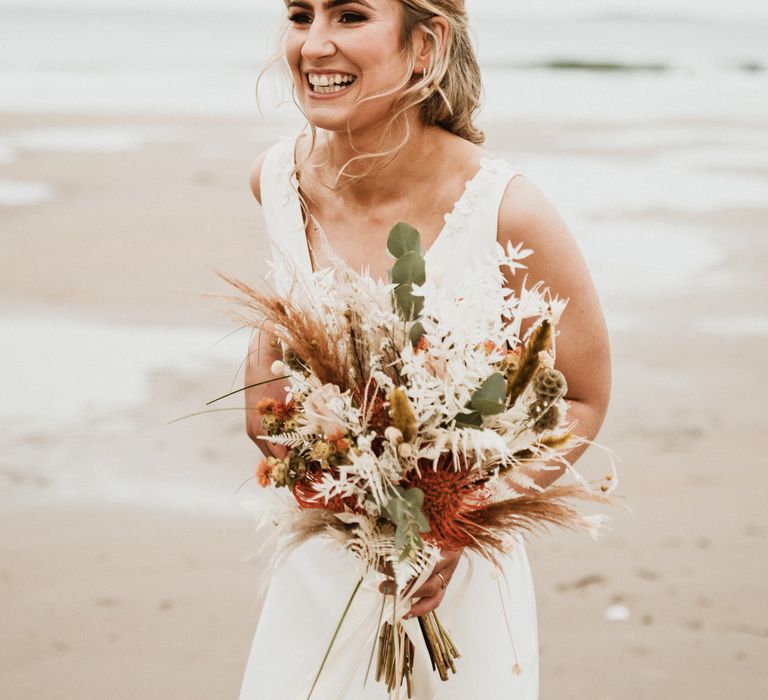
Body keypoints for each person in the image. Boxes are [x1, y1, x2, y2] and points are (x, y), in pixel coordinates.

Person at [239, 1, 611, 697]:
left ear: (425, 44)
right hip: (320, 568)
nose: (314, 44)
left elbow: (584, 397)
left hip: (458, 581)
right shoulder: (277, 182)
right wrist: (299, 437)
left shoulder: (508, 210)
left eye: (349, 15)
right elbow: (270, 394)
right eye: (299, 15)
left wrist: (459, 518)